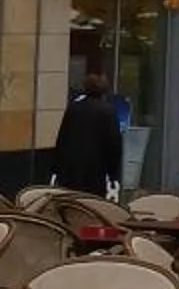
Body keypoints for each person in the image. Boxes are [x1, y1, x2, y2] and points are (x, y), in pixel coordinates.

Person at [48, 63, 124, 195]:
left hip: (70, 173)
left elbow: (62, 140)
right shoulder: (108, 112)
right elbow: (114, 146)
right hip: (96, 174)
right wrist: (114, 176)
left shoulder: (73, 109)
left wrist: (56, 169)